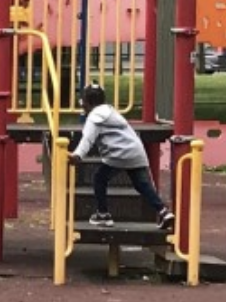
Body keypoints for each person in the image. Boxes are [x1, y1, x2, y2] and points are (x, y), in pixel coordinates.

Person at [67, 81, 172, 232]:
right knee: (142, 184)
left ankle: (103, 214)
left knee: (99, 178)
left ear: (88, 103)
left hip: (118, 154)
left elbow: (87, 139)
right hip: (136, 151)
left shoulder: (94, 117)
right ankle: (163, 211)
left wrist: (77, 155)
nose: (81, 105)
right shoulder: (111, 111)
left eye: (82, 101)